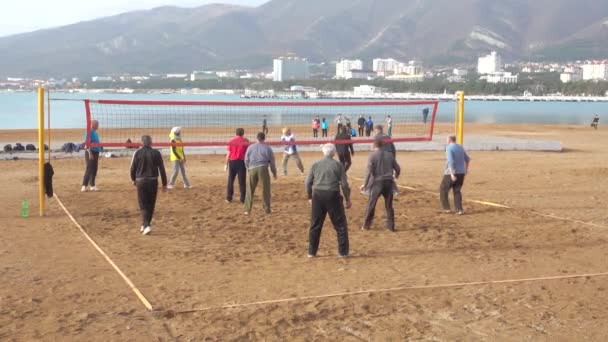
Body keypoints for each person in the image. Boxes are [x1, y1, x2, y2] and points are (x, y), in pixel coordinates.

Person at [305, 143, 352, 258]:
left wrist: (310, 197)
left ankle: (311, 252)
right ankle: (343, 252)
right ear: (334, 153)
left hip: (318, 195)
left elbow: (307, 182)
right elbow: (345, 185)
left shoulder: (315, 164)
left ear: (323, 152)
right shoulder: (338, 165)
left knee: (315, 225)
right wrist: (347, 199)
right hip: (332, 195)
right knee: (340, 225)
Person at [130, 135, 167, 236]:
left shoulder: (137, 153)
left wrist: (133, 179)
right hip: (152, 181)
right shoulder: (156, 153)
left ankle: (146, 225)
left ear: (142, 143)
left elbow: (132, 168)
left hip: (141, 181)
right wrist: (164, 184)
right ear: (151, 143)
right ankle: (145, 224)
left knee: (143, 204)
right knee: (150, 204)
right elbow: (162, 169)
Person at [360, 139, 401, 232]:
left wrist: (365, 184)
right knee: (389, 206)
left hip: (377, 182)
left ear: (374, 146)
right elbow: (398, 168)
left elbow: (368, 172)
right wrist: (395, 177)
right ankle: (391, 227)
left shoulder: (372, 156)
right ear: (383, 146)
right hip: (388, 182)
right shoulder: (390, 155)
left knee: (371, 204)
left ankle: (366, 225)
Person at [244, 132, 277, 215]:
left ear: (256, 138)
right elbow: (272, 162)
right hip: (263, 168)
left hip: (252, 168)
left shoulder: (251, 147)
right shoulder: (267, 148)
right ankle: (267, 209)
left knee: (250, 189)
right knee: (265, 190)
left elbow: (246, 159)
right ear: (264, 138)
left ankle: (247, 210)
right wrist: (274, 173)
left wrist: (248, 168)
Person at [440, 135, 471, 215]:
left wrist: (452, 174)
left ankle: (446, 208)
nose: (446, 141)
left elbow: (451, 161)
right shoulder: (460, 147)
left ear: (450, 140)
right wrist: (466, 169)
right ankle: (459, 210)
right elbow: (467, 159)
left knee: (443, 189)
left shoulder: (449, 148)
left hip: (452, 173)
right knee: (457, 191)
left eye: (446, 139)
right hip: (461, 173)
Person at [225, 128, 249, 203]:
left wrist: (225, 164)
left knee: (230, 180)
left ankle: (229, 198)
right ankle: (243, 199)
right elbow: (248, 154)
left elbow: (228, 154)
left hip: (232, 162)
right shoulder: (246, 141)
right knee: (242, 181)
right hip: (241, 163)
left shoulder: (231, 141)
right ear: (243, 133)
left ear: (236, 133)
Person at [82, 119, 102, 192]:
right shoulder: (89, 131)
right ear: (93, 124)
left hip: (96, 152)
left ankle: (92, 186)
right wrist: (90, 153)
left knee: (94, 169)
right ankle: (84, 185)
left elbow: (96, 142)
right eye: (97, 124)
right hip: (90, 152)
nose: (98, 126)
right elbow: (87, 144)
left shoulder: (95, 132)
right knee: (89, 169)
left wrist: (100, 148)